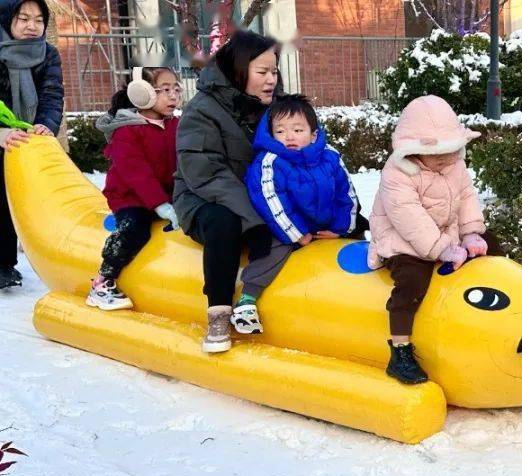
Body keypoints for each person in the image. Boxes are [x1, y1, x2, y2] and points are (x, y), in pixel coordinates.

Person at [367, 95, 500, 385]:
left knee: (494, 246)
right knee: (412, 281)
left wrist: (472, 233)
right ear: (412, 151)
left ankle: (494, 321)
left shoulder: (453, 165)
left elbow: (465, 197)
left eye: (451, 149)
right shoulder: (397, 174)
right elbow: (408, 218)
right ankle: (400, 351)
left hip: (445, 234)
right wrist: (443, 248)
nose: (445, 157)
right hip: (403, 241)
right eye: (437, 152)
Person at [173, 29, 280, 353]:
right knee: (224, 222)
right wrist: (258, 220)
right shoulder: (202, 110)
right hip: (202, 196)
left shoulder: (272, 109)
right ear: (238, 70)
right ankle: (219, 311)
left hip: (255, 198)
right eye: (262, 72)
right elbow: (207, 173)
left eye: (274, 71)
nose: (271, 80)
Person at [240, 93, 363, 333]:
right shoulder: (270, 161)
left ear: (313, 134)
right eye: (281, 131)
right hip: (284, 227)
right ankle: (248, 296)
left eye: (297, 130)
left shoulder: (330, 157)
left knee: (357, 246)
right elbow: (270, 200)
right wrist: (297, 234)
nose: (289, 137)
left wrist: (340, 229)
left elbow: (346, 194)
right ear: (271, 134)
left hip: (324, 225)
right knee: (272, 248)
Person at [85, 67, 181, 310]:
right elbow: (136, 173)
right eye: (165, 90)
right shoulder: (127, 131)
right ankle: (103, 281)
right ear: (142, 93)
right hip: (132, 197)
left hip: (168, 195)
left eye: (176, 89)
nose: (173, 96)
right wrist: (159, 204)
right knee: (136, 230)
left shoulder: (176, 125)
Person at [0, 0, 63, 290]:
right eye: (23, 18)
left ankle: (4, 265)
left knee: (16, 196)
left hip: (24, 135)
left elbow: (52, 94)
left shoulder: (47, 54)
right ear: (7, 19)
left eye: (39, 20)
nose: (32, 26)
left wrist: (46, 124)